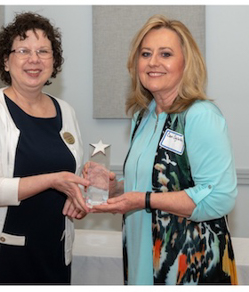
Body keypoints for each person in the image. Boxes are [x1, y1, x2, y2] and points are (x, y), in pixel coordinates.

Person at [90, 15, 238, 284]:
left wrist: (143, 200)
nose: (153, 62)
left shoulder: (200, 115)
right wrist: (115, 189)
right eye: (146, 54)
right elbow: (161, 183)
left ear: (186, 63)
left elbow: (219, 197)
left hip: (189, 265)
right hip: (141, 254)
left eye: (165, 54)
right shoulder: (142, 117)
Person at [0, 12, 90, 284]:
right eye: (23, 50)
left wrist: (82, 193)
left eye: (43, 51)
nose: (34, 59)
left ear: (54, 61)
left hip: (53, 256)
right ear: (6, 60)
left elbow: (69, 176)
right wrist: (53, 180)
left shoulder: (66, 111)